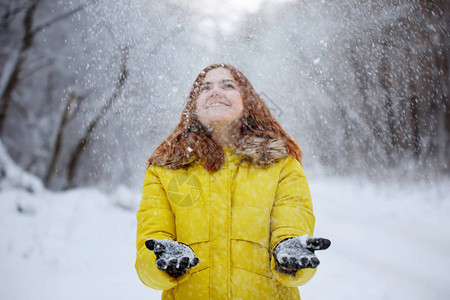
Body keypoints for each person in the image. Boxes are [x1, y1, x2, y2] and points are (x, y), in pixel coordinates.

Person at [135, 63, 330, 299]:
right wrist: (160, 261)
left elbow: (291, 226)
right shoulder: (166, 169)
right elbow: (148, 251)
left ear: (246, 101)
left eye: (227, 85)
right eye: (205, 88)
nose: (215, 92)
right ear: (193, 106)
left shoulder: (281, 165)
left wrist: (289, 255)